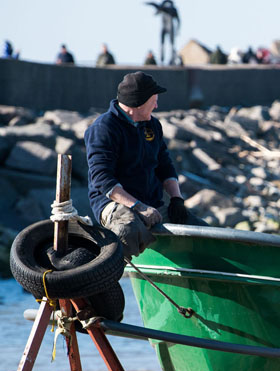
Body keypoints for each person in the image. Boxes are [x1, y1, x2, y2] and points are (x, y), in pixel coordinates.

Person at [85, 71, 205, 259]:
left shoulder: (152, 125)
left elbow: (165, 165)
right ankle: (104, 279)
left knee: (200, 230)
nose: (157, 105)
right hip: (113, 203)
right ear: (138, 103)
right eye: (153, 101)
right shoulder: (104, 128)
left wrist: (176, 199)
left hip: (151, 204)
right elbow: (102, 180)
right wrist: (138, 206)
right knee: (129, 227)